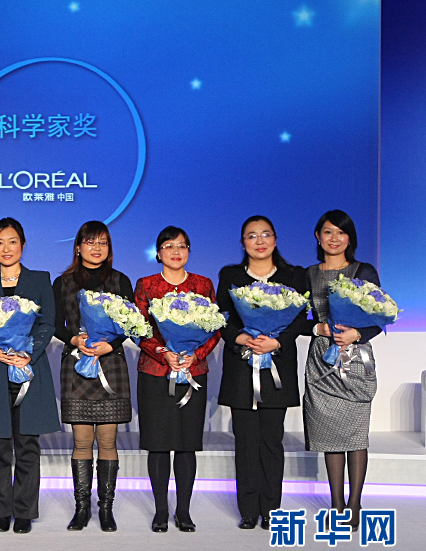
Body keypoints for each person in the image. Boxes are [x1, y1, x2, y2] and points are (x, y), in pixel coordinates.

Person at [216, 215, 309, 530]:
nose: (259, 241)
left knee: (271, 439)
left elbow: (301, 318)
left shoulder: (293, 275)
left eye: (266, 234)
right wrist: (241, 338)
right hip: (242, 365)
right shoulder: (231, 275)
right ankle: (247, 509)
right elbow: (221, 317)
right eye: (252, 235)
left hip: (276, 365)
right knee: (245, 441)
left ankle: (271, 508)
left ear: (275, 239)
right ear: (243, 243)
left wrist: (277, 341)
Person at [0, 218, 61, 534]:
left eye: (12, 241)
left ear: (22, 244)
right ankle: (1, 510)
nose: (6, 248)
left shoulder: (40, 280)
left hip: (28, 369)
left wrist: (28, 352)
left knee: (27, 444)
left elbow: (47, 323)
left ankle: (23, 510)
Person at [134, 226, 220, 533]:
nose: (176, 251)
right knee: (158, 444)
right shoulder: (146, 285)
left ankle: (183, 511)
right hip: (155, 373)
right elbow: (138, 329)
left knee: (186, 443)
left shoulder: (202, 284)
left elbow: (215, 329)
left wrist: (195, 355)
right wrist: (163, 353)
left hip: (192, 372)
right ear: (158, 253)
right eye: (169, 246)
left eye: (182, 246)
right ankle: (160, 511)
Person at [53, 220, 133, 532]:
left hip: (110, 363)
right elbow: (55, 324)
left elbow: (130, 323)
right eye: (90, 241)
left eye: (102, 242)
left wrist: (110, 344)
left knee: (108, 440)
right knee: (82, 440)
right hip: (77, 363)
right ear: (78, 247)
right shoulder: (64, 283)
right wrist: (75, 339)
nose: (96, 248)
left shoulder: (120, 280)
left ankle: (106, 509)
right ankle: (82, 508)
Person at [304, 210, 381, 531]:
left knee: (355, 434)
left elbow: (379, 317)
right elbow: (297, 319)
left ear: (350, 238)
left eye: (340, 232)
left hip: (355, 357)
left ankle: (355, 503)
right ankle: (336, 503)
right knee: (329, 433)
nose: (334, 238)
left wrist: (356, 334)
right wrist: (318, 328)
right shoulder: (308, 274)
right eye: (327, 232)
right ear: (318, 236)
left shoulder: (364, 271)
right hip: (322, 360)